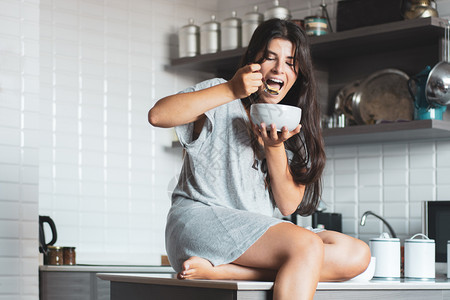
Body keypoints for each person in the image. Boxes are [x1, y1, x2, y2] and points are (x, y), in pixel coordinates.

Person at [149, 19, 370, 300]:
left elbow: (288, 203)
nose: (279, 69)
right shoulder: (223, 95)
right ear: (253, 61)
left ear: (298, 73)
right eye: (270, 58)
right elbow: (158, 115)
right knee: (306, 246)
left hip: (254, 239)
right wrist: (231, 89)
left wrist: (274, 147)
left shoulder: (291, 126)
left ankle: (228, 271)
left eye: (291, 62)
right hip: (199, 222)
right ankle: (235, 265)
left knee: (356, 255)